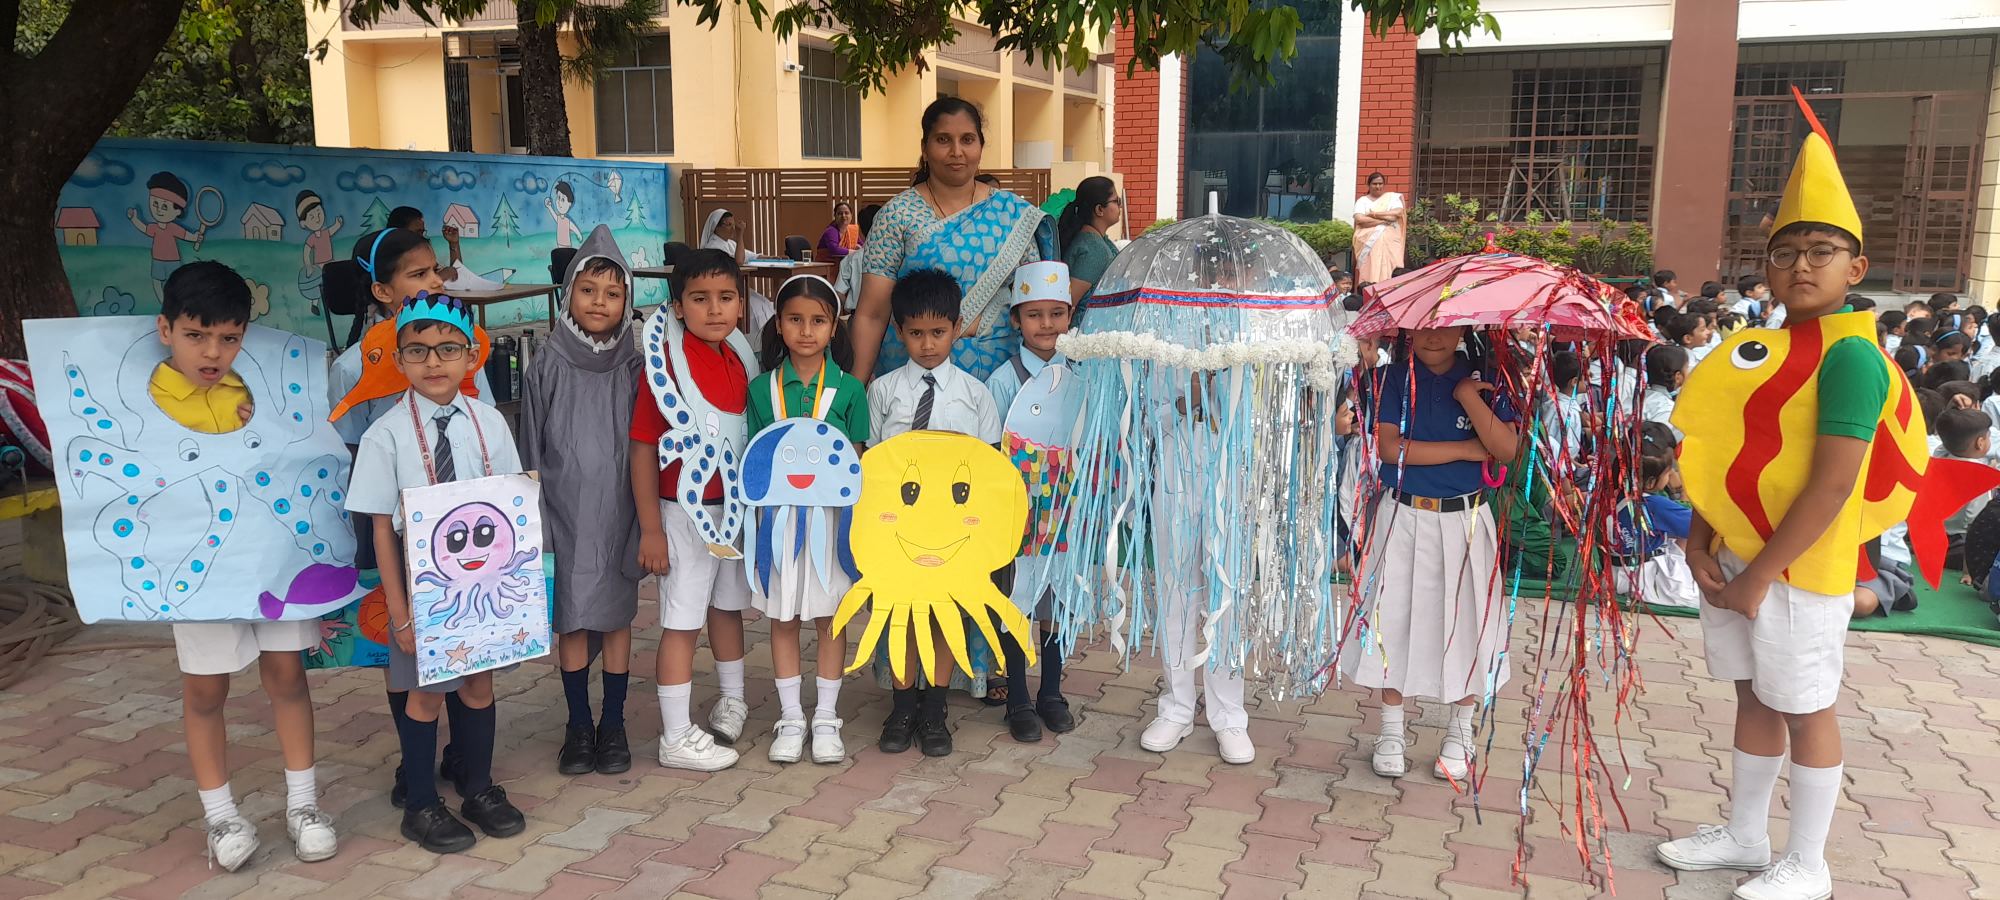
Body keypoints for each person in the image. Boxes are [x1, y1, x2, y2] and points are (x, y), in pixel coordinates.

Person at [1658, 109, 1891, 900]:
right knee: (1753, 694)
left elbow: (1832, 485)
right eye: (1786, 252)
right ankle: (1746, 834)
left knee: (1805, 707)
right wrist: (1700, 541)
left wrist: (1759, 576)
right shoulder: (1756, 351)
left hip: (1799, 571)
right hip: (1735, 559)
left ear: (1856, 267)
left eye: (1822, 251)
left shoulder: (1852, 356)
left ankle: (1809, 862)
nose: (1801, 265)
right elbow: (1718, 452)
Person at [149, 262, 336, 871]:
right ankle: (221, 816)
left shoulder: (255, 394)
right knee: (206, 688)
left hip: (271, 561)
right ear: (165, 331)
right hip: (197, 570)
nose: (213, 352)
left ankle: (304, 805)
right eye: (195, 335)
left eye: (229, 338)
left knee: (287, 675)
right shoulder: (145, 400)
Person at [346, 292, 527, 854]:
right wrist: (400, 613)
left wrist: (515, 596)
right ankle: (421, 804)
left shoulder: (490, 423)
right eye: (418, 350)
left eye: (448, 349)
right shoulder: (386, 435)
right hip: (420, 585)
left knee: (478, 684)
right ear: (399, 360)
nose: (433, 361)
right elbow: (381, 530)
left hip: (483, 582)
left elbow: (512, 505)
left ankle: (477, 787)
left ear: (471, 356)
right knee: (424, 694)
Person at [329, 229, 492, 811]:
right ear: (382, 290)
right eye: (417, 274)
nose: (433, 282)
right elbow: (350, 450)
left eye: (436, 272)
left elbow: (489, 451)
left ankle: (467, 762)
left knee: (471, 663)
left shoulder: (467, 358)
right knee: (408, 659)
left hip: (470, 544)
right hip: (395, 530)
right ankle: (414, 767)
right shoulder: (356, 370)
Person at [1345, 327, 1520, 784]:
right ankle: (1391, 731)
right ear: (1409, 329)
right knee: (1391, 618)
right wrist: (1466, 449)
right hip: (1402, 515)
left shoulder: (1487, 377)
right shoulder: (1392, 379)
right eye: (1424, 327)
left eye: (1446, 327)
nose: (1435, 337)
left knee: (1468, 623)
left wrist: (1467, 397)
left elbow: (1506, 449)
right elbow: (1390, 450)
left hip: (1466, 520)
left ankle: (1459, 733)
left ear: (1463, 328)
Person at [520, 225, 644, 777]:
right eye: (588, 290)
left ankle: (613, 723)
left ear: (627, 301)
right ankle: (577, 724)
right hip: (563, 517)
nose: (599, 302)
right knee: (570, 620)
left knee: (615, 619)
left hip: (620, 514)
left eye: (612, 293)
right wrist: (536, 522)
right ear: (568, 293)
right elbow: (530, 448)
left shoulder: (636, 367)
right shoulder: (546, 363)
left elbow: (647, 446)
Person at [866, 269, 1004, 756]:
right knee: (902, 616)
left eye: (939, 332)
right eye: (916, 333)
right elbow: (873, 465)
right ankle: (903, 705)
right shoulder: (884, 392)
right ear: (899, 331)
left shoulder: (975, 394)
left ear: (957, 327)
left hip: (952, 534)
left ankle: (935, 709)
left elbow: (988, 468)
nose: (927, 344)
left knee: (946, 616)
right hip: (900, 532)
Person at [630, 249, 758, 772]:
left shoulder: (739, 357)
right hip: (682, 514)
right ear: (678, 306)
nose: (715, 309)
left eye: (726, 297)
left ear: (741, 304)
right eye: (700, 299)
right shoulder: (665, 366)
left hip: (733, 508)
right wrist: (650, 529)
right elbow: (643, 448)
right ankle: (676, 735)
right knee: (681, 622)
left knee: (727, 607)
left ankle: (733, 699)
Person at [743, 275, 869, 764]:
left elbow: (855, 461)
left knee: (831, 617)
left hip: (831, 525)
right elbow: (756, 459)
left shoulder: (850, 390)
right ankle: (792, 716)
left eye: (818, 320)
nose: (806, 330)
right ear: (779, 324)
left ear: (834, 327)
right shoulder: (762, 390)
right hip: (777, 525)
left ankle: (828, 717)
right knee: (783, 617)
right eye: (795, 319)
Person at [848, 97, 1057, 383]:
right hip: (913, 383)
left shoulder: (1011, 214)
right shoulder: (897, 215)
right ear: (925, 148)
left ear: (980, 146)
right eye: (943, 140)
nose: (956, 151)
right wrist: (856, 390)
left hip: (1000, 383)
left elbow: (1037, 304)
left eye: (967, 140)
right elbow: (872, 314)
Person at [983, 261, 1079, 743]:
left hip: (1065, 509)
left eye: (1056, 313)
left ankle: (1052, 692)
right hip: (1017, 513)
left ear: (1070, 316)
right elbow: (991, 450)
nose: (1046, 324)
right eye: (1034, 314)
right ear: (1016, 319)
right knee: (1016, 598)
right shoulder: (1004, 381)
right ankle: (1018, 695)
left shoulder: (1082, 374)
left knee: (1057, 599)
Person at [1614, 450, 1700, 609]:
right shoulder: (1655, 504)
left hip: (1614, 571)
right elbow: (1696, 526)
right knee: (1706, 598)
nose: (1670, 477)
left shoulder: (1612, 496)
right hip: (1644, 577)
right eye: (1667, 473)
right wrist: (1684, 494)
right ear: (1650, 482)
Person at [699, 208, 776, 343]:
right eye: (728, 225)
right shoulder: (714, 246)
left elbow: (750, 256)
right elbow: (739, 261)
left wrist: (773, 258)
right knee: (756, 307)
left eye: (733, 225)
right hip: (724, 289)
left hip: (736, 287)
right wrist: (741, 235)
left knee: (763, 302)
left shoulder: (729, 243)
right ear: (716, 227)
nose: (733, 229)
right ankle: (754, 342)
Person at [130, 171, 204, 302]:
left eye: (164, 206)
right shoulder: (154, 228)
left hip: (173, 261)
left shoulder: (173, 228)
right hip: (157, 260)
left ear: (177, 211)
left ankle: (174, 302)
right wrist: (134, 219)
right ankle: (163, 302)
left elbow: (185, 235)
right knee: (156, 281)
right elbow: (144, 228)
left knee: (175, 282)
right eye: (155, 204)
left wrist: (194, 238)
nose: (158, 210)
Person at [1057, 176, 1123, 304]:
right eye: (1116, 201)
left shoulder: (1096, 240)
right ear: (1099, 209)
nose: (1120, 206)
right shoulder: (1095, 250)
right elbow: (1068, 303)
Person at [1351, 173, 1405, 285]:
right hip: (1367, 241)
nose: (1378, 186)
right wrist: (1384, 221)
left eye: (1380, 184)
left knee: (1392, 268)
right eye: (1374, 184)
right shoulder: (1362, 201)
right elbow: (1360, 219)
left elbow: (1397, 213)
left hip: (1390, 241)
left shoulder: (1392, 198)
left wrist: (1374, 214)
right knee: (1371, 267)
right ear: (1369, 185)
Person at [832, 204, 880, 312]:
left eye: (846, 213)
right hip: (887, 317)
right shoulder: (896, 257)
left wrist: (850, 309)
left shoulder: (851, 259)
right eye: (840, 213)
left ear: (861, 231)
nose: (843, 216)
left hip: (856, 314)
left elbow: (838, 292)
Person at [1642, 345, 1688, 441]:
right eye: (1687, 367)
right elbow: (1657, 444)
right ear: (1678, 377)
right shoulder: (1668, 409)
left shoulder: (1638, 397)